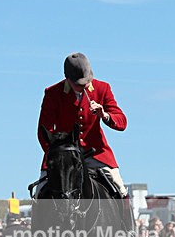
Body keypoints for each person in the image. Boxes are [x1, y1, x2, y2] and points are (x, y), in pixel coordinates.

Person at [37, 52, 128, 198]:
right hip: (63, 157)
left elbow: (122, 122)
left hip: (96, 154)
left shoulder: (102, 88)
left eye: (87, 82)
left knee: (120, 188)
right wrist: (56, 155)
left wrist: (104, 115)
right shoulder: (52, 93)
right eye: (79, 84)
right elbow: (44, 131)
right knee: (40, 193)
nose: (84, 86)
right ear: (67, 78)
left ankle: (128, 221)